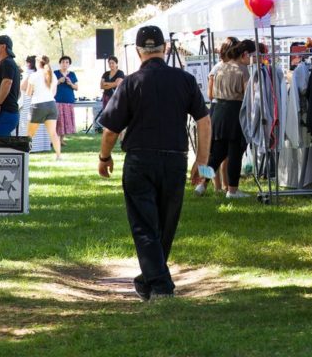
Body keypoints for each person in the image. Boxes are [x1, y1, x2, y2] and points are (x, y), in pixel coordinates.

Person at [97, 25, 211, 301]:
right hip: (175, 159)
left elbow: (110, 130)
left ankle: (160, 285)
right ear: (165, 49)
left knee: (144, 224)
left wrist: (104, 157)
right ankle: (151, 280)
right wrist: (202, 161)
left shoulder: (130, 83)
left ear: (139, 52)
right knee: (166, 224)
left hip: (140, 159)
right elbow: (204, 121)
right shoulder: (185, 80)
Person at [197, 39, 255, 198]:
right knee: (235, 152)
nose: (253, 59)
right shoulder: (242, 70)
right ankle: (232, 190)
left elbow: (211, 92)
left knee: (217, 153)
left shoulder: (221, 67)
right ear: (245, 54)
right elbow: (248, 95)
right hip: (235, 112)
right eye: (252, 56)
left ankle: (202, 184)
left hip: (218, 111)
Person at [196, 37, 237, 195]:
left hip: (215, 110)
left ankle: (211, 185)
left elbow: (210, 94)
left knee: (216, 153)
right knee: (223, 154)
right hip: (228, 110)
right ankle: (223, 186)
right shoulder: (235, 69)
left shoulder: (216, 68)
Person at [26, 56, 61, 159]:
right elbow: (54, 92)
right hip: (51, 104)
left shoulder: (34, 75)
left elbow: (28, 93)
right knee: (53, 133)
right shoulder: (53, 75)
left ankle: (25, 155)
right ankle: (58, 156)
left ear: (37, 63)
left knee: (29, 134)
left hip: (37, 105)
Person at [0, 35, 22, 136]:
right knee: (0, 144)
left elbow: (7, 83)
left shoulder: (7, 63)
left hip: (5, 113)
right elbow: (18, 92)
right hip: (6, 113)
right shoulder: (7, 63)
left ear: (3, 46)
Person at [54, 55, 79, 144]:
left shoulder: (72, 74)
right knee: (58, 121)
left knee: (65, 121)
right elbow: (49, 86)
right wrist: (58, 81)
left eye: (67, 62)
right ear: (60, 64)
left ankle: (61, 140)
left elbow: (76, 88)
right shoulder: (55, 73)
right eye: (63, 62)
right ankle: (55, 140)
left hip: (68, 100)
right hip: (57, 100)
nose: (65, 64)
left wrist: (71, 84)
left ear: (69, 64)